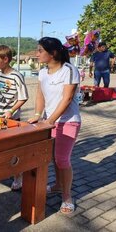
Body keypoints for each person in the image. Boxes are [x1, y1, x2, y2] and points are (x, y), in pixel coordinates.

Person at [28, 37, 81, 214]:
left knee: (62, 159)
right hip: (49, 122)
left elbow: (67, 99)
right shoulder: (43, 73)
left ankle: (67, 196)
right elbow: (40, 95)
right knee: (53, 158)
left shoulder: (69, 70)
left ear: (53, 53)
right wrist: (38, 115)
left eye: (40, 51)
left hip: (68, 121)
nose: (37, 54)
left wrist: (50, 121)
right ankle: (58, 185)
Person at [0, 45, 29, 191]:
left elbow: (23, 98)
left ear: (5, 59)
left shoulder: (16, 76)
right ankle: (2, 171)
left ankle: (18, 177)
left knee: (12, 150)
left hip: (11, 120)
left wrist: (11, 110)